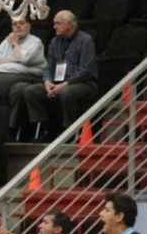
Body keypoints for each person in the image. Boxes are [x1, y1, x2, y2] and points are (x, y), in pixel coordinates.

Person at [20, 10, 97, 141]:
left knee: (67, 93)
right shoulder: (54, 42)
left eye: (58, 23)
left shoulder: (85, 40)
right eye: (54, 23)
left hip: (83, 83)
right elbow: (49, 67)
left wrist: (64, 85)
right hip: (57, 82)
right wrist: (47, 81)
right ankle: (45, 128)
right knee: (30, 91)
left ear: (70, 24)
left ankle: (68, 132)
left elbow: (86, 70)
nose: (54, 26)